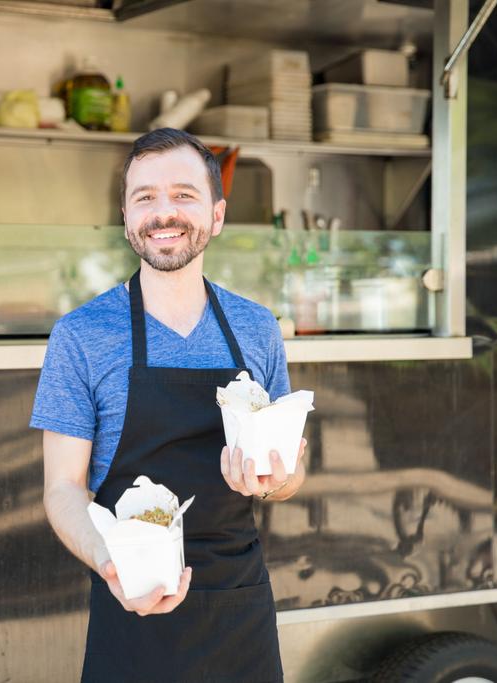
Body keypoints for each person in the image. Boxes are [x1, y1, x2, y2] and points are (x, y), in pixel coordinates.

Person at [30, 128, 307, 682]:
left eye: (184, 195)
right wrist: (113, 564)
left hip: (238, 605)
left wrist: (274, 482)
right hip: (129, 596)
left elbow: (290, 473)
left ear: (217, 214)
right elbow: (63, 489)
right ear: (127, 216)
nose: (164, 213)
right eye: (145, 197)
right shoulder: (81, 335)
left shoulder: (257, 328)